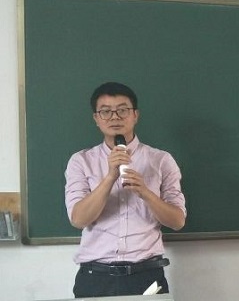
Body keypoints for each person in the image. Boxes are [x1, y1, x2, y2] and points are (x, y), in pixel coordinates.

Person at [64, 82, 186, 298]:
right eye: (105, 111)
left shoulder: (161, 160)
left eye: (122, 110)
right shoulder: (81, 161)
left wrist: (146, 193)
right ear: (96, 118)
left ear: (135, 115)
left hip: (147, 275)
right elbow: (79, 219)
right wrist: (110, 177)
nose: (114, 117)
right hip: (95, 277)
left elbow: (177, 221)